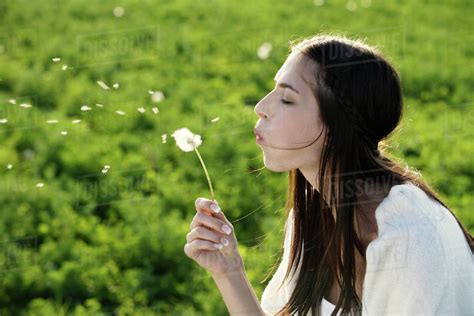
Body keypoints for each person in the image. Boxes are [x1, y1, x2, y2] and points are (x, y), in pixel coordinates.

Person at [183, 34, 474, 315]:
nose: (261, 108)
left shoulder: (413, 243)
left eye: (286, 99)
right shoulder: (314, 215)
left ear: (337, 127)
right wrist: (228, 271)